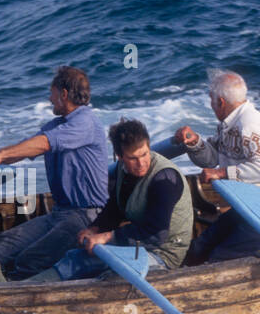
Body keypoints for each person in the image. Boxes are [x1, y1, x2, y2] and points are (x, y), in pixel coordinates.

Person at [0, 66, 110, 281]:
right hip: (60, 213)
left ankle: (14, 300)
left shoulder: (85, 122)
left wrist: (0, 153)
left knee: (30, 260)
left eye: (51, 92)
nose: (49, 98)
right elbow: (28, 148)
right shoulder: (56, 125)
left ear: (63, 94)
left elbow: (44, 144)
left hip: (88, 215)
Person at [32, 118, 193, 281]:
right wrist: (95, 229)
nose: (141, 163)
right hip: (141, 246)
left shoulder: (165, 179)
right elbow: (115, 209)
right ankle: (29, 285)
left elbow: (156, 234)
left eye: (144, 154)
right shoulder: (122, 171)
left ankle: (31, 287)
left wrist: (107, 237)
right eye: (133, 158)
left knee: (84, 263)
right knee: (75, 253)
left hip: (163, 253)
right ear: (120, 157)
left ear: (149, 146)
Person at [174, 70, 260, 263]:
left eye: (211, 100)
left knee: (219, 259)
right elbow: (211, 158)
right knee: (199, 248)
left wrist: (222, 173)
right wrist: (195, 142)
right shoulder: (229, 123)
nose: (211, 105)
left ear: (220, 102)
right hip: (246, 206)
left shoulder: (249, 124)